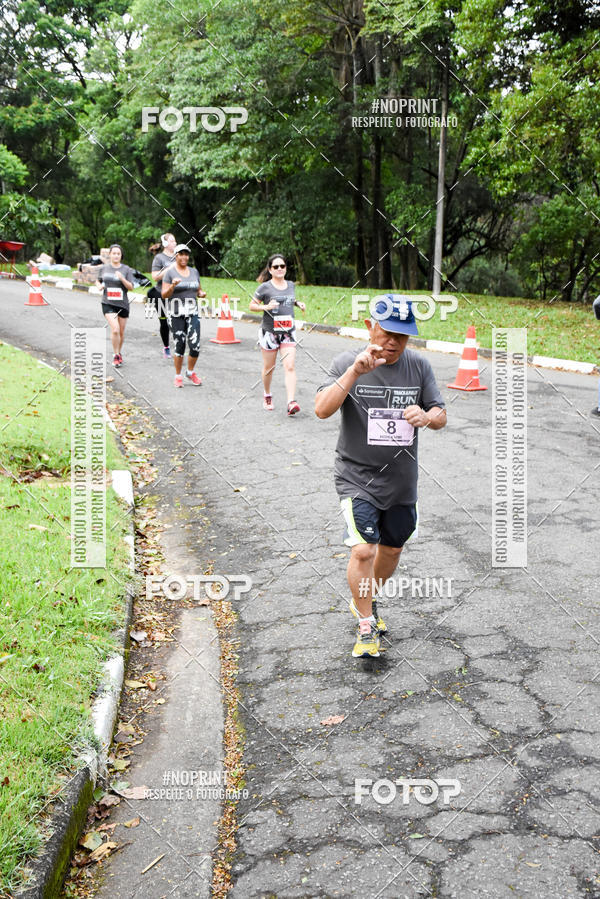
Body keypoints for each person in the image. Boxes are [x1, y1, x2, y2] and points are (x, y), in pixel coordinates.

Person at [315, 296, 447, 659]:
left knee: (391, 549)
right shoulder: (346, 363)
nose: (393, 343)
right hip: (356, 475)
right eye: (387, 333)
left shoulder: (418, 366)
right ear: (369, 327)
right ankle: (365, 622)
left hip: (402, 481)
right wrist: (355, 373)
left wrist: (428, 417)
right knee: (363, 548)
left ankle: (367, 599)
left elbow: (441, 413)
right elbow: (321, 410)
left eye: (402, 337)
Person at [249, 253, 306, 414]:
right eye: (276, 267)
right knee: (269, 367)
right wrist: (265, 307)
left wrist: (297, 303)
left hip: (288, 332)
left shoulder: (290, 285)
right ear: (270, 269)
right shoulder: (265, 287)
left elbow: (287, 299)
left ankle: (291, 402)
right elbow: (252, 306)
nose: (280, 269)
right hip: (270, 333)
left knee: (290, 366)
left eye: (282, 266)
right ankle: (267, 394)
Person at [161, 244, 206, 387]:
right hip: (176, 313)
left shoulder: (194, 272)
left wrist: (201, 294)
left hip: (192, 311)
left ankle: (190, 372)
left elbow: (198, 289)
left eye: (186, 254)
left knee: (195, 345)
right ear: (176, 256)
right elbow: (164, 294)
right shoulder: (170, 273)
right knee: (180, 344)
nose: (184, 257)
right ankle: (178, 375)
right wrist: (173, 286)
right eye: (181, 254)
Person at [97, 244, 135, 367]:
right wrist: (99, 286)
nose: (116, 255)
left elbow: (131, 287)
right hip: (108, 303)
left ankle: (119, 353)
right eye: (114, 253)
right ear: (110, 255)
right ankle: (115, 355)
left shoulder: (126, 269)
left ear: (121, 255)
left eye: (118, 254)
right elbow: (98, 280)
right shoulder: (104, 268)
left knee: (121, 332)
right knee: (115, 329)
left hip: (123, 304)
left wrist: (122, 278)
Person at [149, 233, 177, 359]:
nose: (175, 243)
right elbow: (155, 276)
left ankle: (179, 344)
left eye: (175, 241)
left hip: (176, 293)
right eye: (172, 241)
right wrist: (169, 269)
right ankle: (166, 347)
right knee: (164, 322)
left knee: (178, 320)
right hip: (161, 293)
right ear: (165, 244)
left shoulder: (178, 257)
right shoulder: (159, 258)